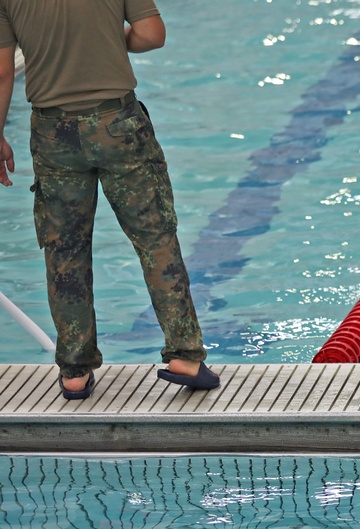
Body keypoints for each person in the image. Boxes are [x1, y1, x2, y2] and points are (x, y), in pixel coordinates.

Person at [0, 0, 219, 400]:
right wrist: (110, 38)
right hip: (118, 125)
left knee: (64, 252)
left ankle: (75, 371)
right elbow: (152, 34)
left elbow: (2, 72)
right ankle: (184, 356)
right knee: (156, 239)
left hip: (53, 133)